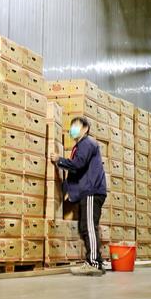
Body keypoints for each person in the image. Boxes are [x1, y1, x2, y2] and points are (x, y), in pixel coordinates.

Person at [50, 117, 108, 276]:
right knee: (85, 227)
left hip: (91, 192)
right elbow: (77, 171)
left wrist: (59, 160)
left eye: (76, 126)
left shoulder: (87, 143)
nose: (72, 129)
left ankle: (94, 263)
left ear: (85, 128)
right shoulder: (80, 146)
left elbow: (78, 164)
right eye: (72, 126)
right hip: (88, 192)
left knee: (88, 227)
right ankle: (95, 262)